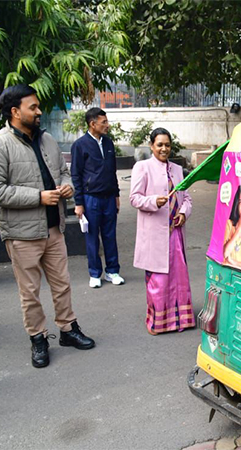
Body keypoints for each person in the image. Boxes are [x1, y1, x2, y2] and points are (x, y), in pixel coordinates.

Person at [0, 84, 95, 368]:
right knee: (30, 292)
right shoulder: (0, 144)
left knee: (62, 284)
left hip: (54, 228)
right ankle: (38, 339)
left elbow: (65, 172)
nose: (39, 111)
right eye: (33, 107)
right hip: (21, 234)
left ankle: (68, 329)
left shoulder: (47, 139)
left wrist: (66, 186)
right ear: (15, 112)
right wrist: (38, 197)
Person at [129, 128, 195, 335]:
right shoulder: (142, 167)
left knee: (179, 277)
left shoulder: (176, 169)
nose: (164, 149)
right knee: (159, 279)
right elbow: (134, 198)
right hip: (155, 234)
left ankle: (181, 320)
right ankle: (157, 323)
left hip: (175, 232)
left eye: (167, 145)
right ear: (151, 146)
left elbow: (187, 198)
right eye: (160, 145)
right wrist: (153, 201)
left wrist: (183, 213)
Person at [71, 107, 124, 288]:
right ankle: (95, 273)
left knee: (110, 235)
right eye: (104, 122)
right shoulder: (80, 145)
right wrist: (79, 203)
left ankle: (112, 271)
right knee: (92, 236)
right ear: (92, 124)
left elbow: (113, 171)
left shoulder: (108, 143)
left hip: (109, 197)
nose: (107, 125)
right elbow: (76, 175)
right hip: (90, 198)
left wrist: (116, 194)